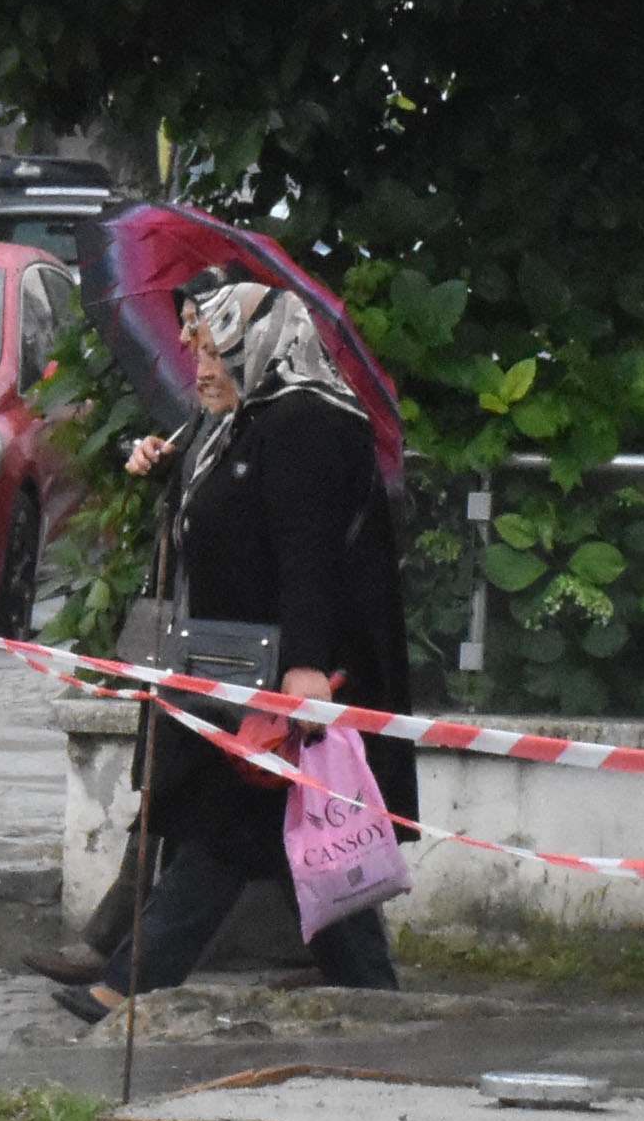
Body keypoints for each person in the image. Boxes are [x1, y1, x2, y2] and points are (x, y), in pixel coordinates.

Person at [49, 281, 420, 1019]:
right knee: (277, 834)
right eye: (201, 352)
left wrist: (306, 669)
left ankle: (127, 986)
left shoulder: (308, 421)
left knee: (226, 832)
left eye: (218, 353)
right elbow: (233, 513)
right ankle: (374, 997)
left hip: (290, 674)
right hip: (239, 667)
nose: (203, 369)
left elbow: (308, 551)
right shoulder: (239, 421)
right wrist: (171, 466)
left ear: (265, 347)